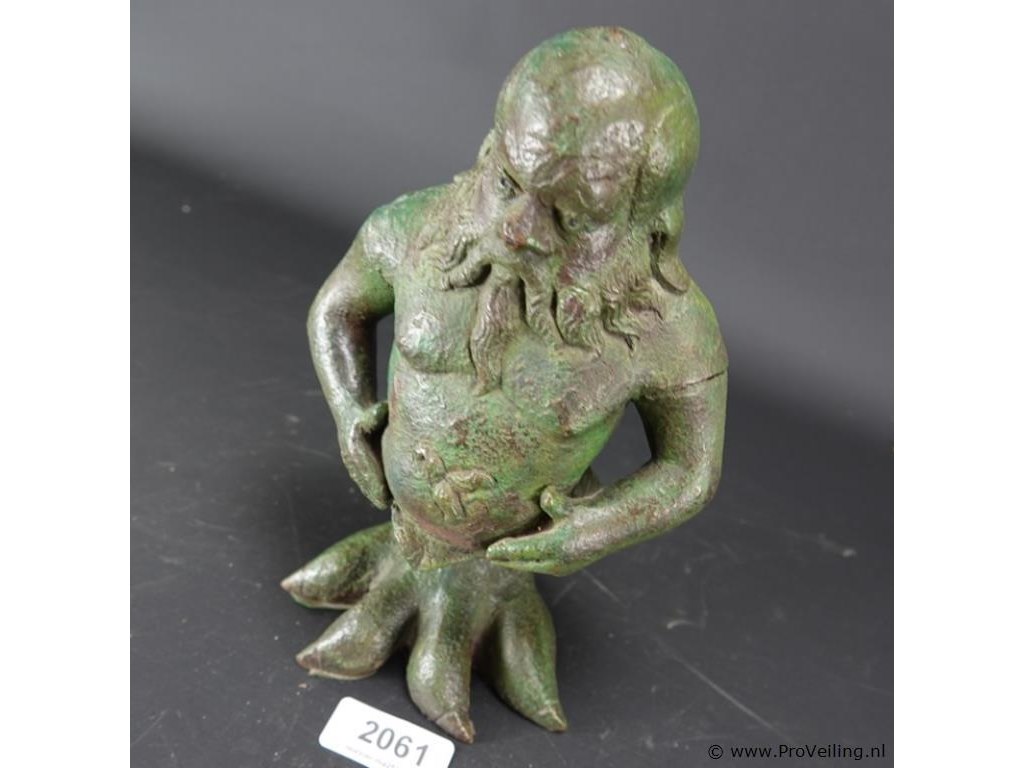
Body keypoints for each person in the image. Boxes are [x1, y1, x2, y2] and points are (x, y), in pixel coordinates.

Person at [283, 27, 727, 742]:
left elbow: (689, 469)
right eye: (508, 184)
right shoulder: (416, 230)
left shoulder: (667, 328)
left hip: (504, 558)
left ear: (651, 228)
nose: (518, 230)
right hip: (403, 516)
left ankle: (476, 599)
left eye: (571, 218)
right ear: (490, 151)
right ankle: (408, 567)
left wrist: (598, 529)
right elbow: (339, 309)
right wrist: (348, 409)